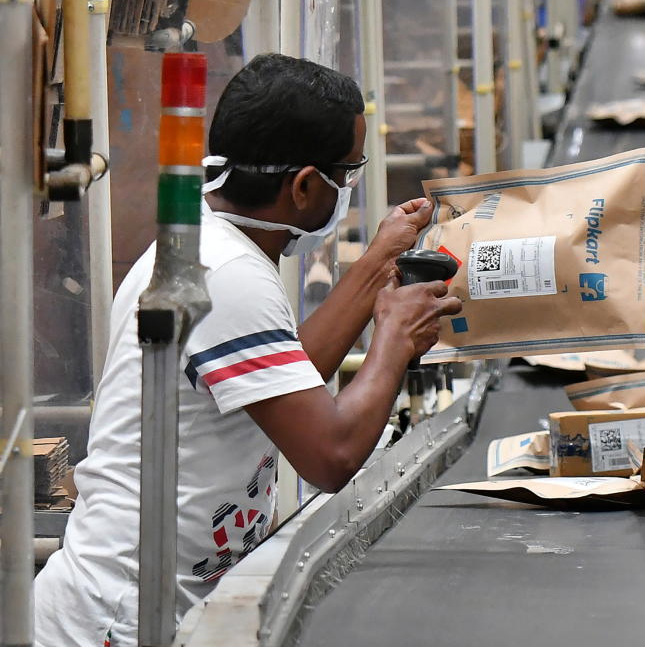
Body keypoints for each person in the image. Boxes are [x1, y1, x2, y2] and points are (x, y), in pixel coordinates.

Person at [34, 53, 461, 646]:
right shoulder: (228, 274)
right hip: (120, 621)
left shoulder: (215, 249)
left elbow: (290, 386)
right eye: (348, 173)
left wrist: (377, 266)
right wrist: (393, 339)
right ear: (306, 186)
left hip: (147, 607)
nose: (349, 188)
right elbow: (329, 454)